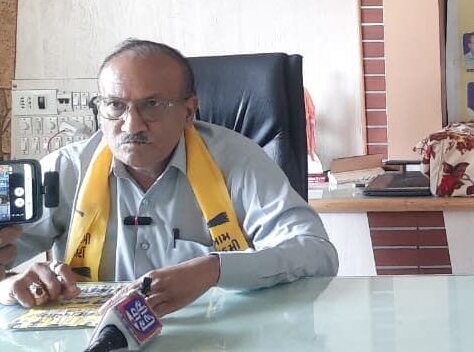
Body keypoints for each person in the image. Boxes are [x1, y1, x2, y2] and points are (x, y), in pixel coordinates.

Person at [0, 40, 337, 313]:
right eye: (115, 105)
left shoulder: (238, 161)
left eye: (153, 105)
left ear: (189, 111)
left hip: (220, 337)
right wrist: (9, 286)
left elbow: (316, 251)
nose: (132, 125)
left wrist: (213, 270)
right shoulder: (67, 169)